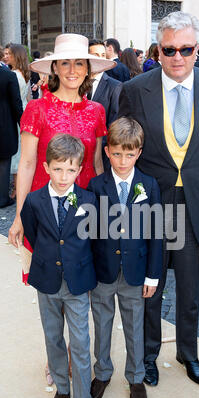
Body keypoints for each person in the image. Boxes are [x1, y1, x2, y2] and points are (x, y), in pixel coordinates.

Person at [118, 11, 199, 387]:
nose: (178, 57)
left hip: (197, 202)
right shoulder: (136, 89)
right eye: (169, 49)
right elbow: (123, 147)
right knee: (149, 286)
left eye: (187, 48)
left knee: (190, 284)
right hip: (150, 203)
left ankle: (189, 352)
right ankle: (148, 355)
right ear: (159, 49)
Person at [20, 133, 105, 398]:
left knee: (80, 342)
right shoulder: (34, 201)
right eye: (57, 169)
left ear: (79, 170)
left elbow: (94, 238)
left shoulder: (88, 201)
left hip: (78, 282)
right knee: (53, 337)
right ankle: (63, 389)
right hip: (47, 282)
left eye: (70, 170)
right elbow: (33, 231)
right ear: (47, 167)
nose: (63, 176)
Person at [8, 32, 115, 254]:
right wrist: (19, 216)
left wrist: (102, 210)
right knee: (49, 279)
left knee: (83, 278)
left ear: (88, 69)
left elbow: (97, 166)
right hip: (45, 208)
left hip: (85, 207)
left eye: (79, 63)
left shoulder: (96, 111)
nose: (72, 70)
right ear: (55, 68)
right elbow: (27, 164)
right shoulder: (37, 109)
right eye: (65, 63)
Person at [87, 117, 162, 398]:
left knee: (134, 326)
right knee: (102, 324)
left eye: (129, 154)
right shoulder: (96, 185)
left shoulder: (149, 185)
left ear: (139, 153)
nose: (122, 160)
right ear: (107, 151)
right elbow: (89, 234)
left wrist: (153, 276)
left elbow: (156, 233)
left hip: (136, 272)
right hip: (103, 272)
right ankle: (102, 372)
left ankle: (136, 376)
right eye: (117, 153)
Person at [88, 39, 122, 170]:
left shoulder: (115, 86)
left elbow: (114, 125)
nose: (100, 59)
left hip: (101, 157)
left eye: (103, 55)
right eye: (95, 56)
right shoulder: (76, 84)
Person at [7, 43, 32, 199]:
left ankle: (17, 189)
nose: (6, 56)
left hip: (17, 114)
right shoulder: (24, 73)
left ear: (16, 56)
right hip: (23, 110)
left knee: (17, 156)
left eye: (9, 54)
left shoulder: (15, 74)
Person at [0, 64, 23, 208]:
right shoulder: (8, 75)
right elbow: (16, 102)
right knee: (3, 163)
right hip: (4, 125)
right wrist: (23, 124)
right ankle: (2, 198)